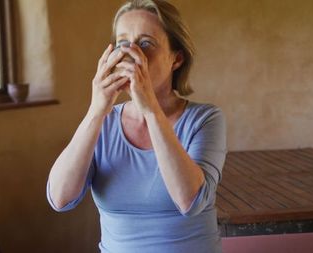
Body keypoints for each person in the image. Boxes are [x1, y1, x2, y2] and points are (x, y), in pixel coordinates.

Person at [46, 0, 227, 252]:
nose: (131, 53)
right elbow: (60, 199)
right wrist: (96, 110)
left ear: (176, 59)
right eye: (122, 43)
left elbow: (190, 201)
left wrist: (150, 108)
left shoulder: (205, 119)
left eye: (145, 44)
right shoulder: (104, 122)